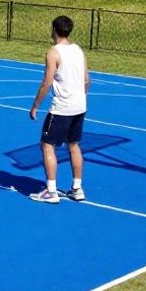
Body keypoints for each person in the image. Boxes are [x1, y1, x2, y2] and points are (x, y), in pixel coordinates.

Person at [28, 16, 89, 204]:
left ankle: (51, 190)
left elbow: (47, 82)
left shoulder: (53, 53)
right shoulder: (78, 50)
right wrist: (80, 97)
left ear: (54, 29)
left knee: (47, 145)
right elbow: (87, 79)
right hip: (80, 106)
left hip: (62, 108)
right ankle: (77, 188)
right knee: (74, 144)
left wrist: (36, 105)